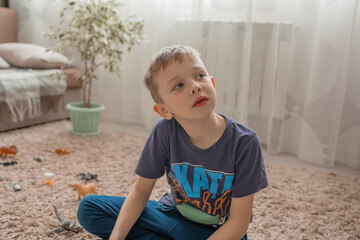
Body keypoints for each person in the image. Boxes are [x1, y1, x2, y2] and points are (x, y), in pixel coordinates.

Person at [77, 45, 268, 240]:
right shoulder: (164, 131)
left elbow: (238, 223)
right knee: (89, 208)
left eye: (200, 75)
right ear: (164, 110)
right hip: (171, 216)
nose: (195, 86)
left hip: (219, 232)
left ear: (212, 82)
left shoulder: (245, 142)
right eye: (178, 85)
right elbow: (141, 190)